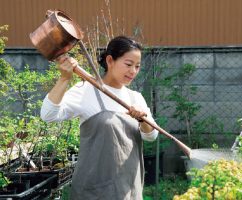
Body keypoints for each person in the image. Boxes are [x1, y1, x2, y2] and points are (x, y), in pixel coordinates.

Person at [40, 36, 158, 200]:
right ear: (110, 61)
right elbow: (48, 115)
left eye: (137, 66)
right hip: (93, 190)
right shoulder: (87, 91)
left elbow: (151, 136)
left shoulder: (135, 98)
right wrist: (64, 79)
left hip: (128, 189)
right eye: (128, 64)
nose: (133, 71)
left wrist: (142, 120)